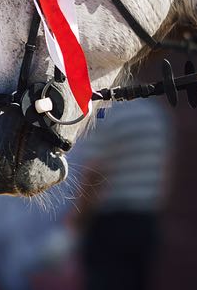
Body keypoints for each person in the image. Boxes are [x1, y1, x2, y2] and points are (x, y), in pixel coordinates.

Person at [68, 99, 172, 290]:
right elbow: (164, 173)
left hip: (109, 223)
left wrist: (74, 226)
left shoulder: (105, 113)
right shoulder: (155, 113)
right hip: (145, 220)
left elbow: (94, 173)